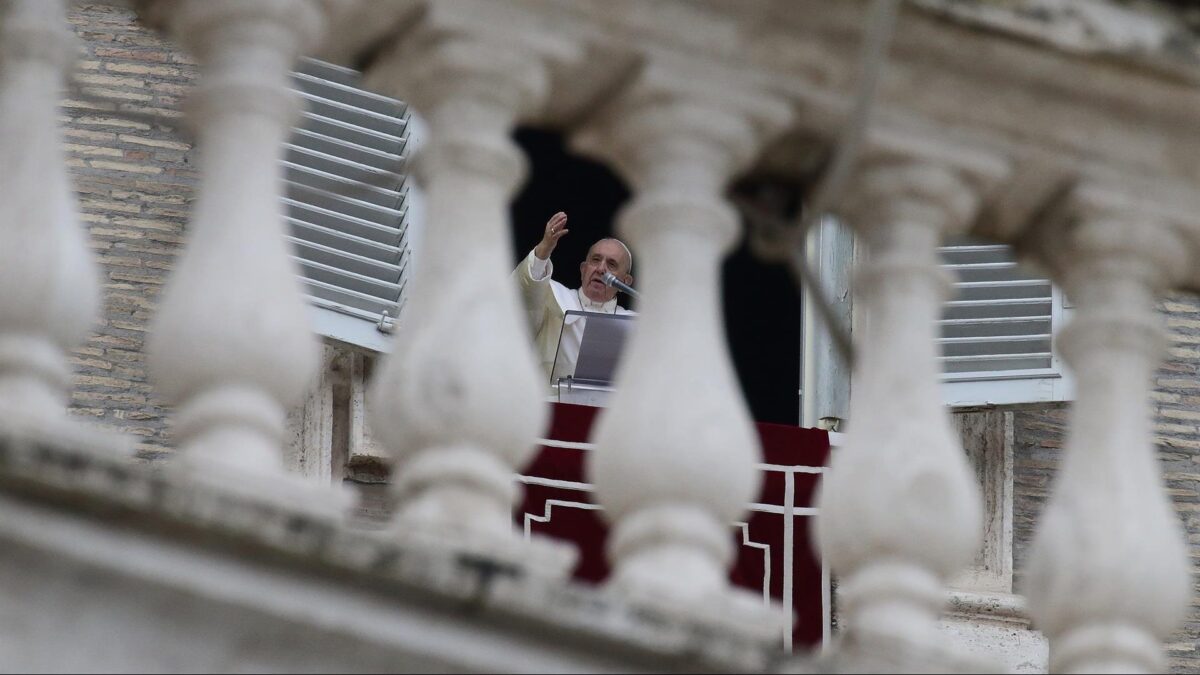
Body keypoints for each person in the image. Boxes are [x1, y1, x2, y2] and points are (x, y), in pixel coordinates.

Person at [512, 211, 636, 383]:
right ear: (583, 270)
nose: (601, 269)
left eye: (612, 264)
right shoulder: (551, 298)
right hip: (550, 406)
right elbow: (525, 293)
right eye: (595, 260)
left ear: (625, 281)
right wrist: (544, 249)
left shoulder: (634, 325)